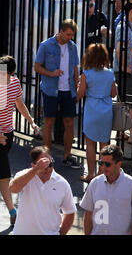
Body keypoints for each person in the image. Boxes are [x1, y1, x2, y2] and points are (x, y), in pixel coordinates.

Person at [0, 55, 39, 225]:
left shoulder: (15, 83)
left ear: (12, 73)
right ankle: (13, 212)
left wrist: (31, 122)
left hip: (9, 133)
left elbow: (19, 104)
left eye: (6, 73)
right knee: (5, 173)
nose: (2, 75)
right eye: (0, 72)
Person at [34, 19, 80, 169]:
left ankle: (67, 156)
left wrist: (77, 88)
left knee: (69, 123)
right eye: (67, 34)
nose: (69, 38)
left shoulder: (73, 47)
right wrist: (51, 73)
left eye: (72, 35)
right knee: (48, 123)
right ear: (61, 31)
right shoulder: (46, 45)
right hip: (51, 90)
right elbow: (36, 66)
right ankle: (46, 158)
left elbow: (75, 68)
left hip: (68, 90)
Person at [80, 145, 132, 235]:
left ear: (119, 164)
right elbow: (88, 214)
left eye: (108, 164)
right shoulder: (94, 183)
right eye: (101, 163)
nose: (103, 167)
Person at [9, 145, 76, 235]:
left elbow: (70, 212)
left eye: (50, 164)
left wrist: (61, 233)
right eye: (43, 165)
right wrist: (35, 170)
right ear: (33, 165)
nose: (48, 169)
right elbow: (13, 188)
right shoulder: (24, 175)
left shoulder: (62, 183)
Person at [76, 44, 117, 183]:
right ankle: (102, 173)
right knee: (104, 144)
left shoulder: (86, 73)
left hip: (92, 109)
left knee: (90, 144)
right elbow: (113, 94)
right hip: (106, 111)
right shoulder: (110, 73)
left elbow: (80, 94)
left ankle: (90, 175)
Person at [113, 1, 132, 143]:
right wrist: (125, 67)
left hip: (126, 71)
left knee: (124, 102)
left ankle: (121, 133)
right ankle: (131, 134)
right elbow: (119, 49)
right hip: (125, 72)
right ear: (131, 12)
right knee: (131, 104)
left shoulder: (130, 27)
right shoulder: (123, 27)